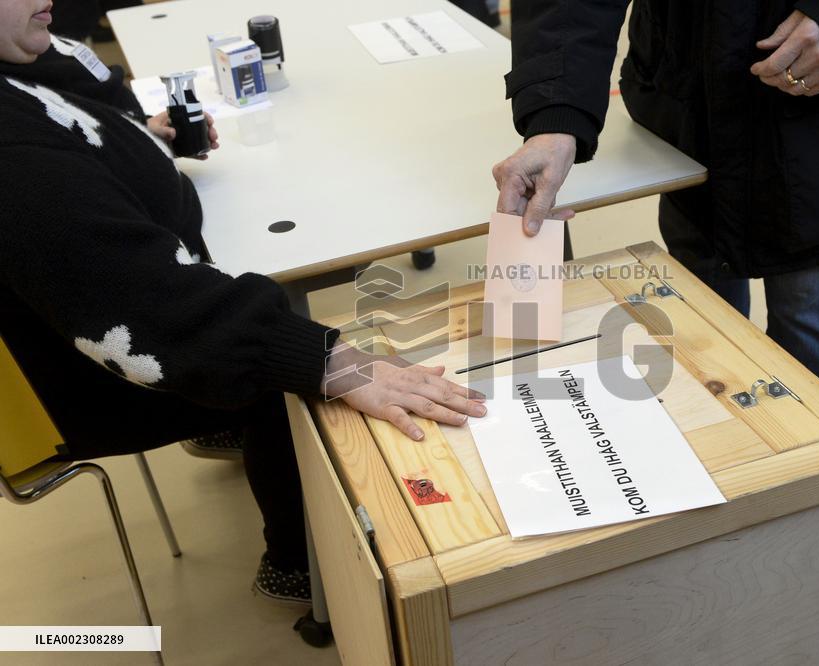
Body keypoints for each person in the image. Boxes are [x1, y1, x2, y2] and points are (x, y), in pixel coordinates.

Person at [0, 0, 485, 606]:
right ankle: (295, 564)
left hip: (122, 303)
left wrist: (133, 142)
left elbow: (82, 111)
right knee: (288, 363)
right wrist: (329, 362)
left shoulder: (21, 74)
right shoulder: (11, 156)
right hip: (84, 375)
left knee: (270, 326)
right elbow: (148, 307)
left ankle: (235, 423)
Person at [492, 0, 819, 398]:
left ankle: (806, 488)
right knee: (698, 329)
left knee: (810, 328)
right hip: (689, 121)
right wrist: (556, 113)